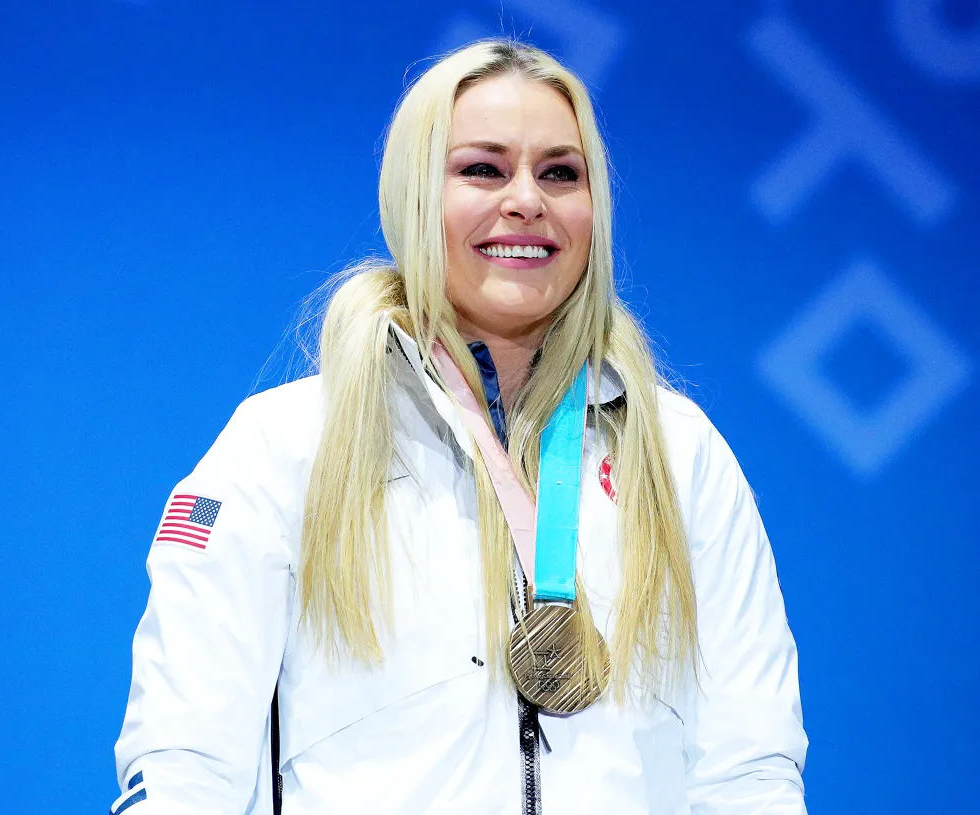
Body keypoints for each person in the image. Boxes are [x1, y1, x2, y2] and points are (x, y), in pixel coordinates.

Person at [111, 39, 807, 815]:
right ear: (415, 194)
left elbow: (750, 771)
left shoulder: (682, 455)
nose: (526, 200)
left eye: (559, 173)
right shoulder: (285, 444)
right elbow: (184, 765)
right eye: (482, 168)